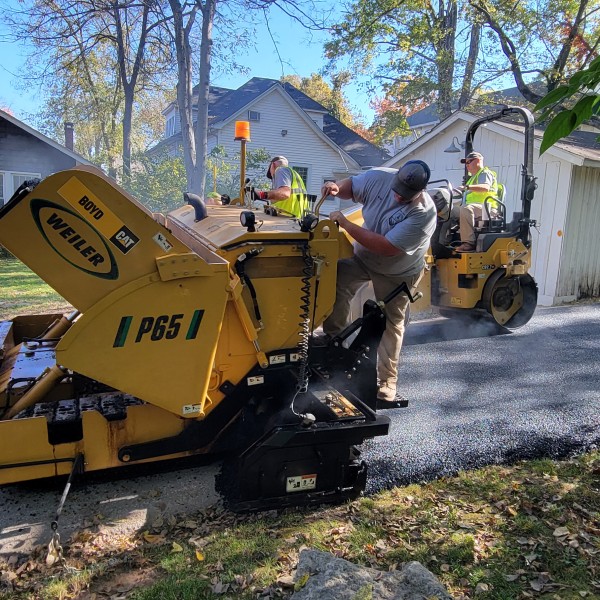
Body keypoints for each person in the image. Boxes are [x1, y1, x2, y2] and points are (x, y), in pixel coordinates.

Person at [321, 161, 437, 404]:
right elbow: (351, 187)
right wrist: (335, 187)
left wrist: (345, 223)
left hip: (398, 270)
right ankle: (335, 347)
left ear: (420, 192)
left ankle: (387, 381)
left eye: (406, 197)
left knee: (391, 322)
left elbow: (386, 248)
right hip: (362, 256)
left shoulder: (424, 213)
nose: (398, 197)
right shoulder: (379, 177)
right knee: (334, 284)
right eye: (397, 191)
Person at [452, 152, 499, 252]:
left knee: (465, 208)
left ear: (478, 161)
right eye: (466, 163)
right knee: (447, 210)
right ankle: (442, 241)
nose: (467, 165)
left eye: (469, 162)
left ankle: (469, 243)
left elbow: (485, 187)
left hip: (487, 208)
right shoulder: (472, 178)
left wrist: (466, 187)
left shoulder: (484, 173)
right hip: (475, 207)